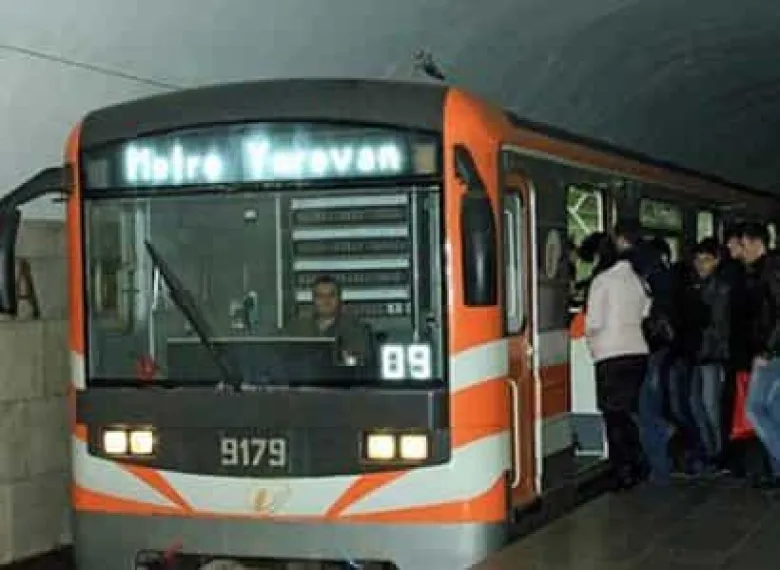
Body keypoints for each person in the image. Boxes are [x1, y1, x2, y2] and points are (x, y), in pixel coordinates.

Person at [585, 223, 651, 489]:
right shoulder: (637, 280)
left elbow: (594, 321)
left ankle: (622, 469)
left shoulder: (602, 281)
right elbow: (646, 312)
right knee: (627, 412)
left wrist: (591, 342)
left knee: (613, 414)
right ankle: (637, 463)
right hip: (637, 351)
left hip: (610, 353)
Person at [686, 238, 732, 473]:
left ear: (716, 261)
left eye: (706, 260)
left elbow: (720, 327)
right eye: (698, 260)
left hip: (710, 355)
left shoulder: (720, 290)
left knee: (709, 404)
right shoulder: (697, 287)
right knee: (698, 404)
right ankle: (710, 449)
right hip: (698, 353)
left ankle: (717, 450)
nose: (700, 265)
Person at [740, 223, 780, 487]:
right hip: (770, 349)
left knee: (754, 408)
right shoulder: (764, 269)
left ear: (757, 243)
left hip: (772, 352)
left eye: (744, 245)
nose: (741, 252)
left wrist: (768, 348)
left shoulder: (770, 270)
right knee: (773, 410)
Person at [284, 275, 373, 366]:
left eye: (331, 295)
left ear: (339, 299)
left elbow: (361, 364)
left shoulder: (356, 329)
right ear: (313, 299)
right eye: (320, 296)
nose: (326, 300)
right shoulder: (297, 329)